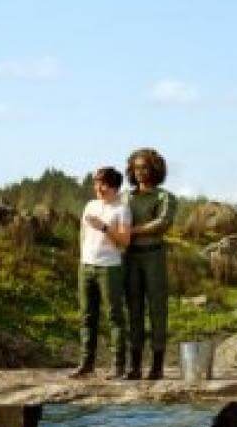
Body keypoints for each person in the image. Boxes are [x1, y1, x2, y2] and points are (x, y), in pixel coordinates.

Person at [72, 166, 132, 378]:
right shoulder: (90, 205)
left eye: (104, 184)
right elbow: (82, 234)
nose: (99, 187)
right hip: (86, 266)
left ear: (115, 187)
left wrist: (105, 227)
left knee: (114, 316)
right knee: (87, 316)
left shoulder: (122, 209)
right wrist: (82, 259)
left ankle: (118, 367)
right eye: (96, 183)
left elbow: (125, 241)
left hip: (109, 268)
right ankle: (86, 364)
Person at [122, 147, 176, 381]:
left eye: (144, 167)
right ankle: (134, 366)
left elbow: (162, 223)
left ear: (154, 169)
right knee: (133, 309)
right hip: (129, 256)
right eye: (136, 168)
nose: (140, 172)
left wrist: (131, 230)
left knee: (157, 309)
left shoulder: (164, 197)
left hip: (154, 255)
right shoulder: (125, 197)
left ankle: (157, 366)